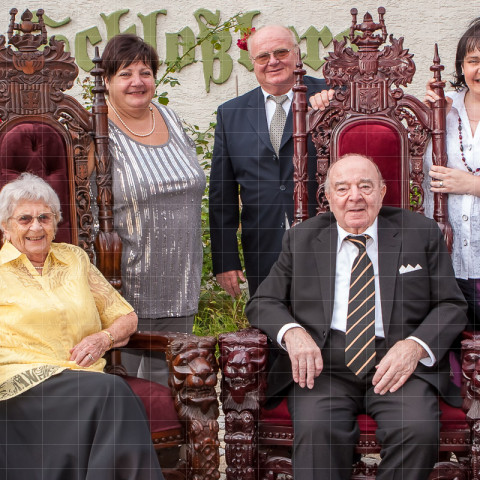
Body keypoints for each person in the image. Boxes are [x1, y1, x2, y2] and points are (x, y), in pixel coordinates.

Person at [247, 154, 468, 480]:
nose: (355, 197)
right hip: (323, 368)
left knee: (418, 430)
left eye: (365, 186)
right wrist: (292, 333)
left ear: (382, 192)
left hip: (397, 364)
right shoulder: (303, 238)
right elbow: (263, 301)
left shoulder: (419, 233)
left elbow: (452, 305)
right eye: (343, 188)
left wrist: (416, 346)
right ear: (329, 198)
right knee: (317, 430)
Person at [0, 173, 164, 480]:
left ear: (56, 221)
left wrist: (103, 338)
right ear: (5, 227)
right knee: (113, 392)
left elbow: (125, 317)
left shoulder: (74, 259)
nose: (36, 227)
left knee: (107, 395)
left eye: (44, 217)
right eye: (24, 219)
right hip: (21, 385)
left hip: (81, 380)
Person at [101, 34, 206, 385]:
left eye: (145, 72)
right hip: (126, 288)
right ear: (107, 81)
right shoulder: (96, 132)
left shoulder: (171, 119)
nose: (137, 82)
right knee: (125, 389)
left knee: (172, 390)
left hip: (181, 279)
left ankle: (171, 445)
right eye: (125, 73)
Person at [209, 24, 333, 297]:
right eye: (263, 56)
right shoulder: (231, 114)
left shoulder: (330, 97)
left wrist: (337, 107)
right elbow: (222, 193)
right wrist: (225, 258)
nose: (273, 61)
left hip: (328, 240)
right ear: (252, 62)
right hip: (263, 247)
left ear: (297, 54)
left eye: (281, 52)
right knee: (272, 327)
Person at [424, 18, 480, 328]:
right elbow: (410, 169)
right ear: (461, 66)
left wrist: (472, 184)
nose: (479, 69)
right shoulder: (442, 111)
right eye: (473, 61)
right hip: (447, 260)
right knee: (452, 356)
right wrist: (426, 119)